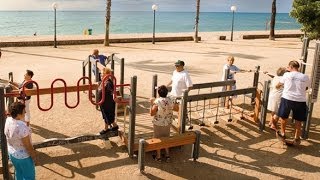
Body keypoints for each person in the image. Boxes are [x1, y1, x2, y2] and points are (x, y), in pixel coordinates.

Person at [276, 60, 310, 145]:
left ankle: (283, 133)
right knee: (298, 120)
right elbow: (306, 88)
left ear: (291, 67)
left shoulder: (287, 74)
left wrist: (277, 86)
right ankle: (297, 137)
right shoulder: (305, 76)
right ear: (298, 67)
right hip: (300, 99)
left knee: (284, 117)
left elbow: (279, 84)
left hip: (287, 98)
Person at [5, 102, 37, 180]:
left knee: (18, 173)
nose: (25, 112)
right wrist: (34, 156)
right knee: (29, 177)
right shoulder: (22, 127)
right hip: (24, 157)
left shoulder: (8, 120)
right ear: (18, 114)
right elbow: (28, 146)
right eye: (23, 111)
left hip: (12, 153)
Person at [150, 85, 179, 162]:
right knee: (166, 137)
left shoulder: (157, 101)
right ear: (167, 93)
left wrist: (152, 103)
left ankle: (158, 156)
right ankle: (167, 155)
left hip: (158, 123)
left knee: (158, 138)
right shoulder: (170, 100)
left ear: (158, 93)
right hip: (167, 122)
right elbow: (177, 109)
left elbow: (152, 113)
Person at [98, 67, 119, 135]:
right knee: (106, 115)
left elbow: (112, 91)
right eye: (101, 74)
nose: (101, 76)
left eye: (102, 74)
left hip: (107, 103)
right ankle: (115, 126)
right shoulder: (103, 81)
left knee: (107, 115)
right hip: (103, 102)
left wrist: (114, 97)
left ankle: (106, 128)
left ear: (107, 75)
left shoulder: (108, 83)